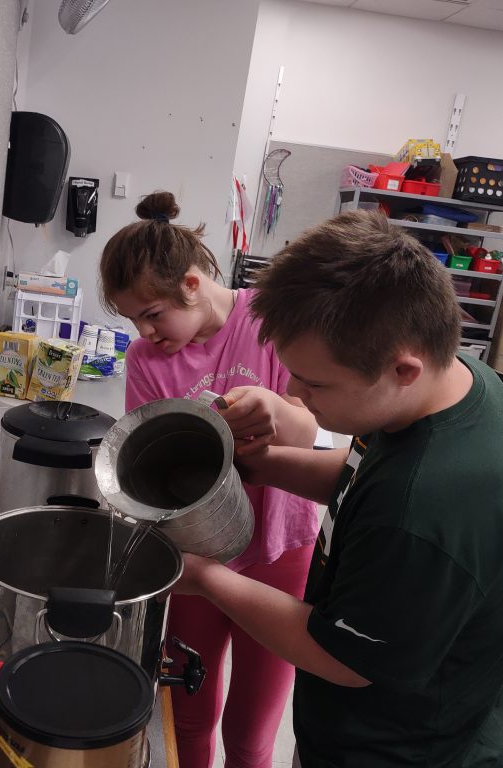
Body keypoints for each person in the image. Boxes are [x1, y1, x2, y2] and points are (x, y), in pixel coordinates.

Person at [174, 209, 503, 767]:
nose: (295, 390)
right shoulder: (456, 381)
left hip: (396, 750)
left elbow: (340, 654)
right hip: (372, 720)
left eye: (316, 382)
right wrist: (264, 465)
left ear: (402, 370)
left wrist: (202, 576)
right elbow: (364, 473)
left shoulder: (427, 510)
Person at [99, 191, 320, 768]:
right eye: (132, 320)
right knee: (188, 716)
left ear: (192, 285)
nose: (146, 332)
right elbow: (146, 470)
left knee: (251, 730)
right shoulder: (148, 363)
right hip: (197, 558)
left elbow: (308, 431)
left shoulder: (271, 321)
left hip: (279, 550)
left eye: (152, 314)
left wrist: (277, 409)